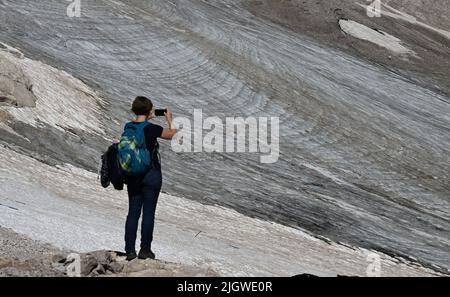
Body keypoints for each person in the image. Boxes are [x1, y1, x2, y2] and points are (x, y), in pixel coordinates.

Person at [123, 96, 177, 261]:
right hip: (151, 175)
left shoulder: (129, 127)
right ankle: (145, 250)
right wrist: (170, 120)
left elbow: (138, 124)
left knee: (133, 213)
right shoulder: (151, 129)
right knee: (148, 213)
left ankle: (130, 251)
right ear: (149, 110)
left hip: (133, 175)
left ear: (134, 110)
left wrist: (146, 116)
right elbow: (172, 135)